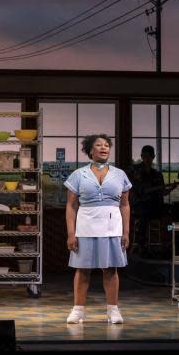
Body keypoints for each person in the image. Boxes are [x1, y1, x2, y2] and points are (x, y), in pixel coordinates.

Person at [64, 134, 132, 324]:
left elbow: (125, 205)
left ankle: (113, 310)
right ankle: (78, 310)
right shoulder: (78, 174)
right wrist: (71, 233)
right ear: (90, 150)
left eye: (106, 145)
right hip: (85, 227)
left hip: (112, 227)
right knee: (82, 269)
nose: (103, 148)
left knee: (110, 269)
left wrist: (126, 232)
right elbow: (71, 206)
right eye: (98, 145)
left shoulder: (119, 174)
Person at [127, 145, 176, 253]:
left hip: (155, 205)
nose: (147, 159)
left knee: (171, 213)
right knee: (144, 213)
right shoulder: (135, 171)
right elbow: (134, 188)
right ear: (141, 156)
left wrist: (171, 188)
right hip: (139, 206)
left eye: (149, 156)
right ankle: (141, 244)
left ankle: (168, 239)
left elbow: (163, 193)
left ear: (153, 157)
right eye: (145, 156)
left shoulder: (157, 175)